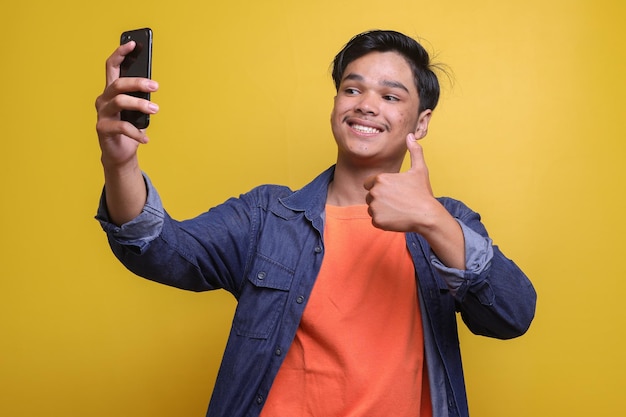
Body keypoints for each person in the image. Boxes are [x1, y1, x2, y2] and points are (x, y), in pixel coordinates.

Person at [95, 29, 536, 417]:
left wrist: (432, 219)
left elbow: (512, 315)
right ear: (335, 103)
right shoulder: (266, 216)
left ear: (420, 122)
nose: (366, 106)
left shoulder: (450, 223)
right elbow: (160, 251)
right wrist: (120, 165)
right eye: (352, 89)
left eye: (390, 96)